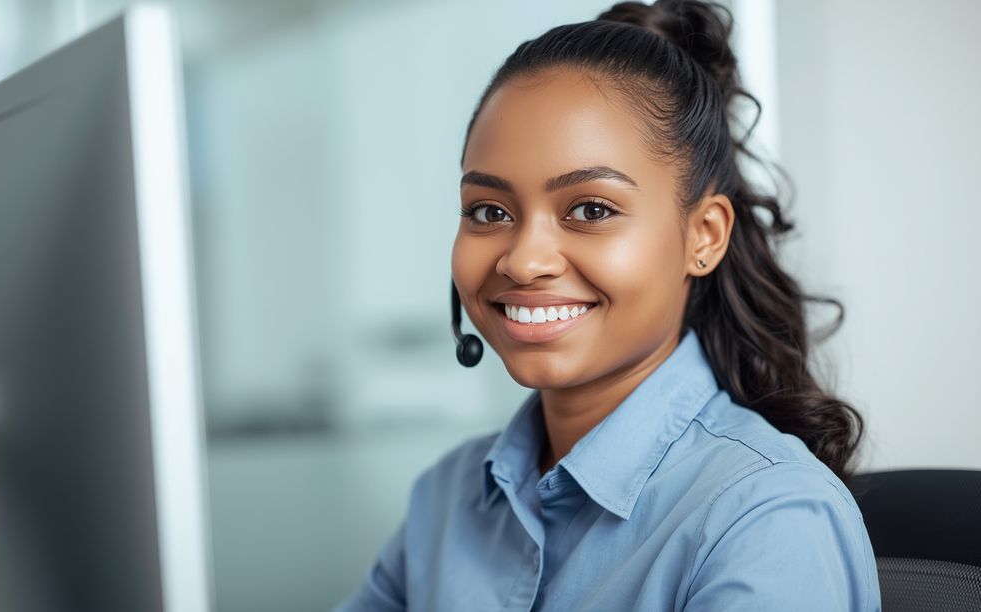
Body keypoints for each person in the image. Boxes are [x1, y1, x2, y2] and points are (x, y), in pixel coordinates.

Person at [335, 1, 880, 610]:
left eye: (591, 209)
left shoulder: (764, 516)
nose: (522, 260)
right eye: (489, 211)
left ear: (703, 236)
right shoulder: (447, 498)